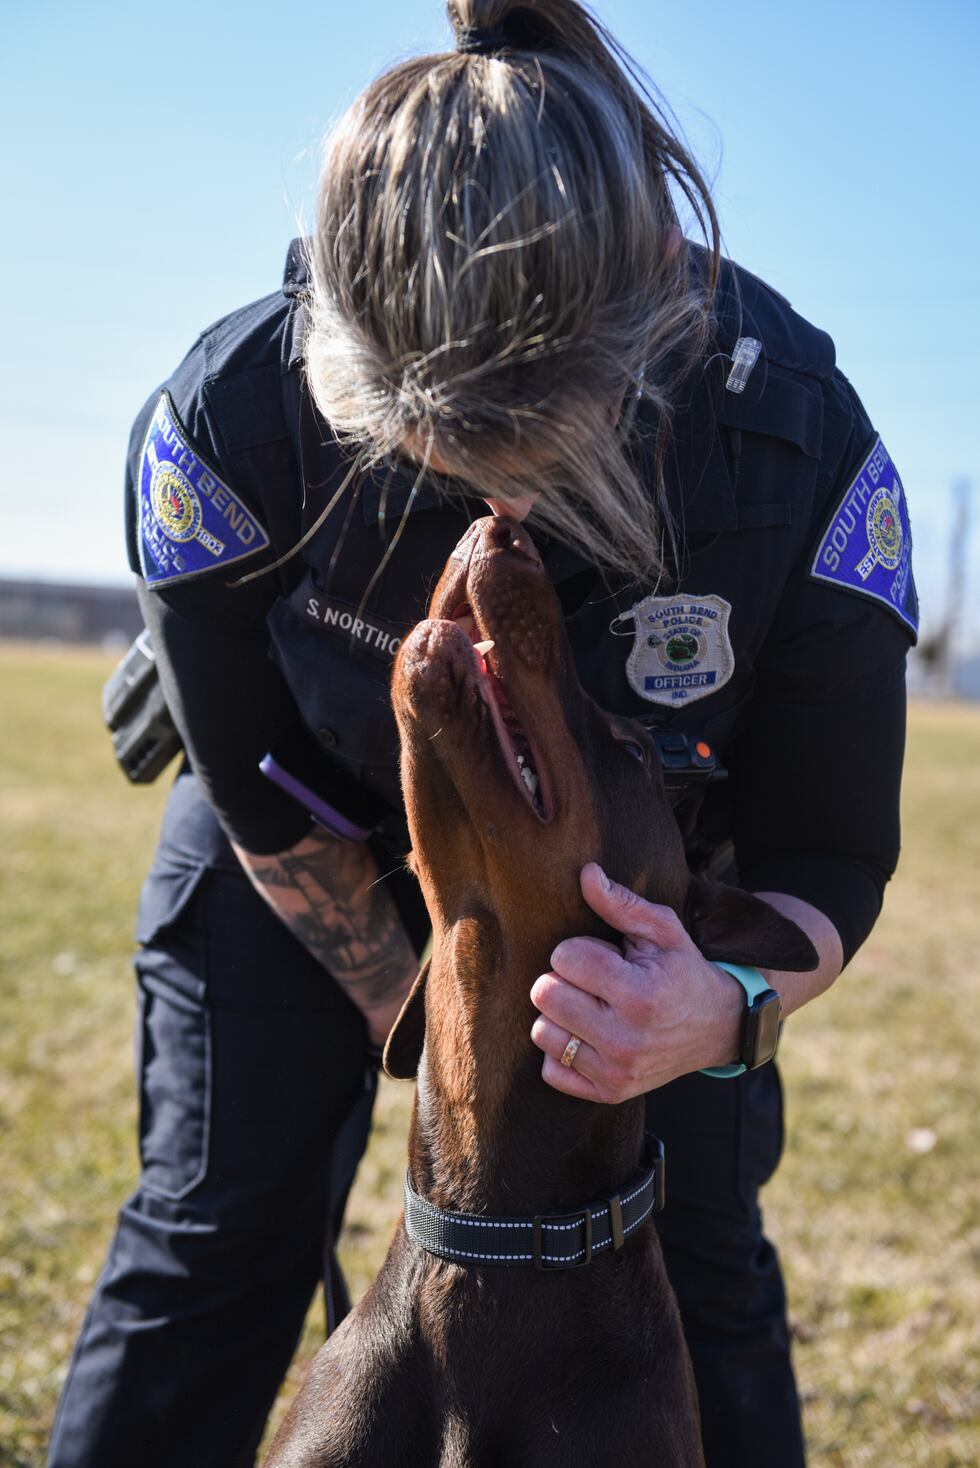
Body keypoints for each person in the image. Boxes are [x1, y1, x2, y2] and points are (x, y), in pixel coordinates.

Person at [47, 2, 917, 1465]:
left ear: (654, 288)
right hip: (311, 832)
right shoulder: (223, 427)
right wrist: (441, 1038)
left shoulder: (804, 458)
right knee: (221, 1222)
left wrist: (719, 1007)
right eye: (428, 456)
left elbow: (828, 855)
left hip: (642, 898)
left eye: (532, 451)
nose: (483, 505)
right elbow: (262, 807)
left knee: (694, 1255)